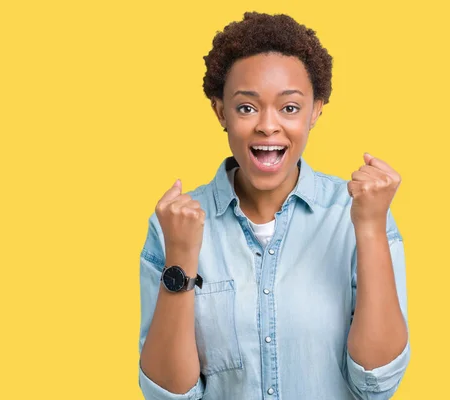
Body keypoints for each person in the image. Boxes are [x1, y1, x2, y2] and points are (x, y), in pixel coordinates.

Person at [137, 11, 410, 400]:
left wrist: (369, 228)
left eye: (290, 108)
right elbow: (168, 394)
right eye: (247, 108)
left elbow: (377, 382)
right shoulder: (173, 225)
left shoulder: (356, 214)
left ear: (316, 111)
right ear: (221, 112)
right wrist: (180, 256)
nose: (268, 125)